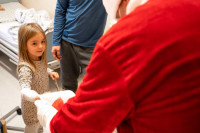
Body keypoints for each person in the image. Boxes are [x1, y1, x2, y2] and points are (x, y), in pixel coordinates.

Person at [34, 0, 200, 132]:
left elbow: (76, 127)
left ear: (124, 2)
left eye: (119, 15)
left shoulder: (122, 42)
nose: (120, 20)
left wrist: (48, 116)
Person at [51, 0, 107, 92]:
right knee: (68, 88)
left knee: (91, 88)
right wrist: (56, 41)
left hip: (91, 47)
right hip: (67, 43)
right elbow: (60, 10)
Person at [17, 23, 59, 133]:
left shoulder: (39, 58)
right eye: (34, 43)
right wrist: (37, 96)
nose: (40, 46)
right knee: (33, 129)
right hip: (31, 109)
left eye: (43, 42)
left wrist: (50, 72)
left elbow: (42, 68)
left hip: (42, 105)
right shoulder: (25, 68)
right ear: (24, 45)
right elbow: (25, 87)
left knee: (41, 126)